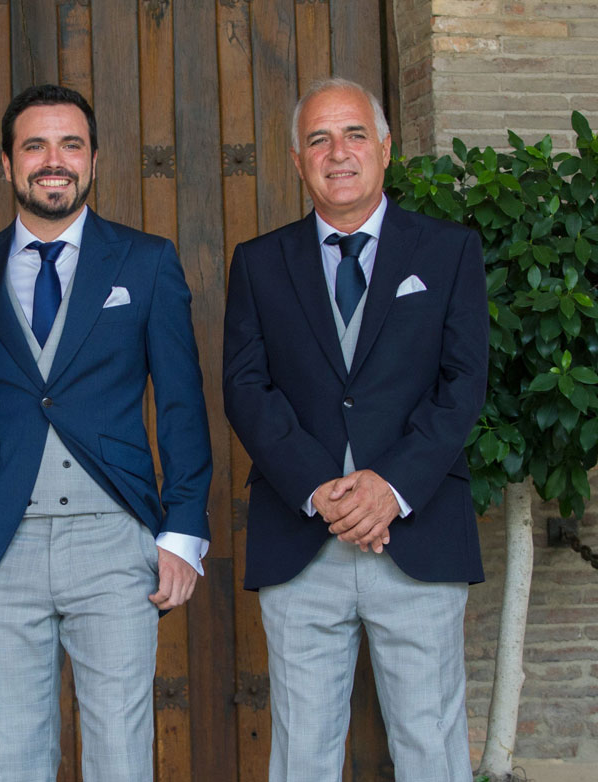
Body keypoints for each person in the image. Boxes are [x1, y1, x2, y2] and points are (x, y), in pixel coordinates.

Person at [0, 84, 213, 782]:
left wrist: (182, 533)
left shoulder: (146, 262)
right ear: (6, 163)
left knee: (121, 754)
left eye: (70, 144)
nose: (52, 160)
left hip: (115, 540)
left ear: (93, 160)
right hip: (2, 544)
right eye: (34, 145)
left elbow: (181, 403)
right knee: (15, 755)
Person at [222, 77, 488, 782]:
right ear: (295, 157)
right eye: (318, 139)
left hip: (418, 533)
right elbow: (246, 390)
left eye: (354, 134)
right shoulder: (258, 262)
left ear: (386, 148)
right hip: (301, 539)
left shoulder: (449, 252)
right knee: (302, 753)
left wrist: (390, 487)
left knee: (431, 747)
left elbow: (463, 384)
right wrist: (323, 489)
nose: (338, 153)